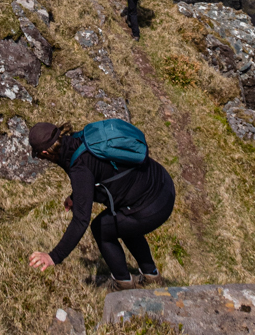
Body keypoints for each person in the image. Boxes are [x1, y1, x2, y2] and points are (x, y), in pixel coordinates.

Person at [27, 122, 175, 290]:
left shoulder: (79, 167)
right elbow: (101, 173)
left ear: (46, 152)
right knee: (123, 223)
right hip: (161, 183)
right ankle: (151, 276)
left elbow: (81, 220)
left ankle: (123, 283)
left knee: (102, 228)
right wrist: (76, 196)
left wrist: (53, 256)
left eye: (38, 155)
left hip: (152, 205)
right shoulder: (79, 139)